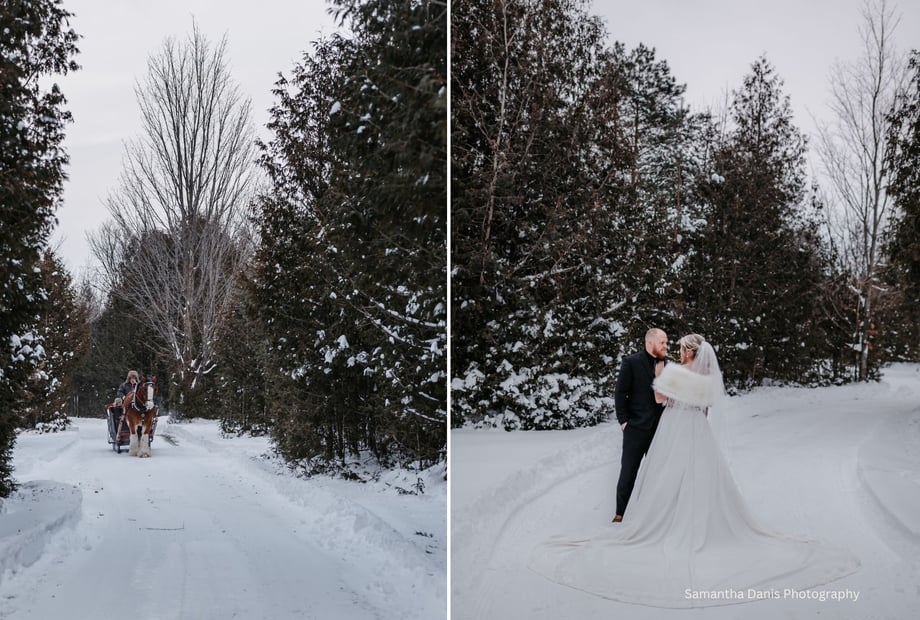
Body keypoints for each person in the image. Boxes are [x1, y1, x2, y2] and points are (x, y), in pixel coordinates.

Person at [528, 334, 859, 608]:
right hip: (698, 431)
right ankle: (700, 522)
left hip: (674, 428)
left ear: (688, 352)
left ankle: (662, 520)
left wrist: (662, 382)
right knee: (700, 476)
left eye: (681, 348)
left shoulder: (676, 373)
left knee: (666, 475)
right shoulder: (707, 379)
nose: (677, 351)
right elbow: (706, 407)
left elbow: (660, 399)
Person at [612, 328, 668, 522]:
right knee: (628, 472)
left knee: (658, 473)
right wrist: (624, 421)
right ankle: (620, 513)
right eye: (662, 342)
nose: (665, 345)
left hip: (660, 429)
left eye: (666, 342)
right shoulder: (631, 362)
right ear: (649, 342)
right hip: (635, 428)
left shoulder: (668, 364)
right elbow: (620, 393)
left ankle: (653, 514)